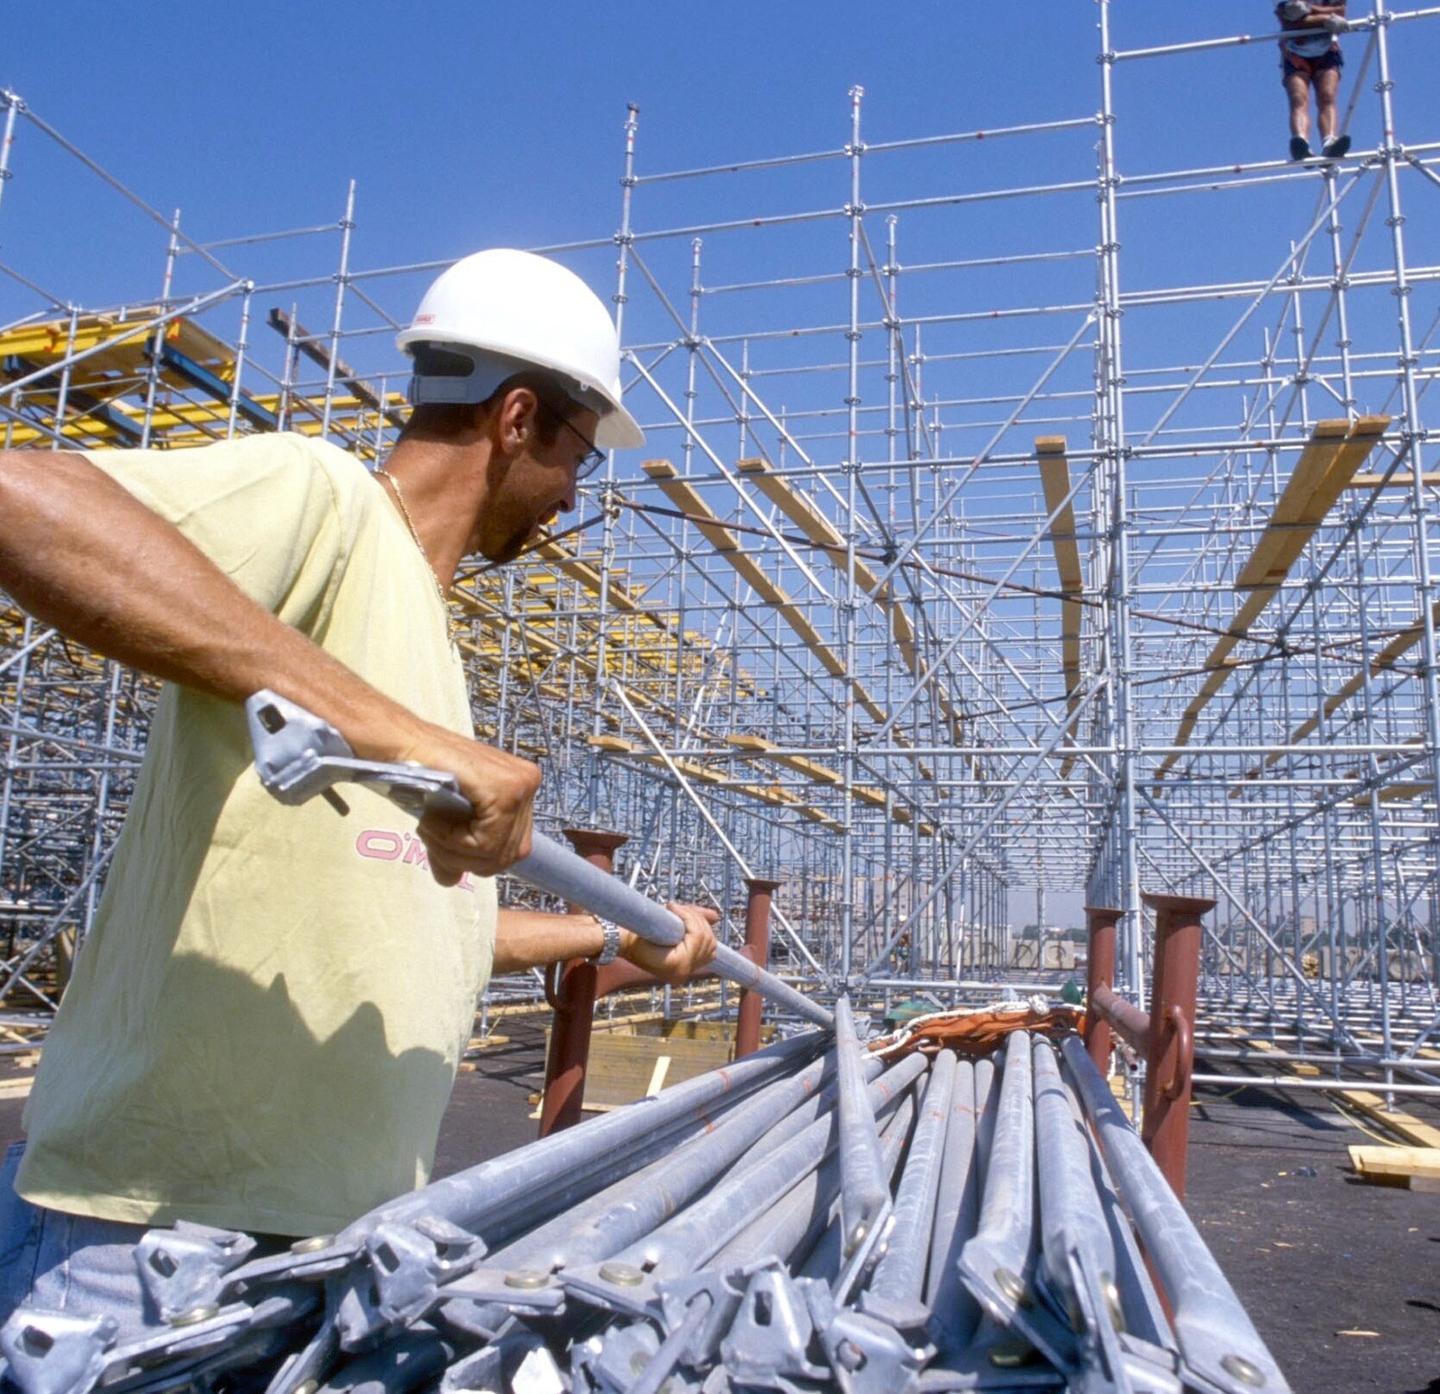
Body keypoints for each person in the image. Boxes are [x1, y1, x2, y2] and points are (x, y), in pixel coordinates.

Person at [0, 249, 719, 1337]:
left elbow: (415, 925)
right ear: (517, 417)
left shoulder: (424, 632)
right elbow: (22, 499)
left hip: (323, 1242)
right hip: (162, 1244)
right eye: (579, 452)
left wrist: (615, 936)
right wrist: (403, 732)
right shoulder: (327, 502)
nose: (577, 493)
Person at [1276, 0, 1351, 161]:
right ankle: (1301, 140)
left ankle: (1329, 141)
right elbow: (1287, 20)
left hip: (1327, 48)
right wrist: (1325, 19)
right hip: (1294, 51)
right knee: (1298, 98)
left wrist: (1308, 11)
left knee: (1327, 96)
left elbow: (1341, 11)